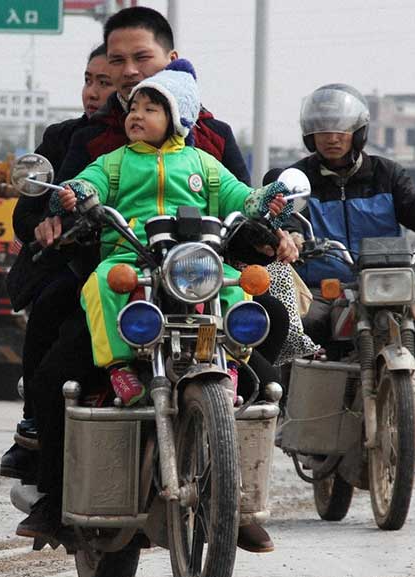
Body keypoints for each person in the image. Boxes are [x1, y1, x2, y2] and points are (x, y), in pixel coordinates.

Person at [18, 6, 282, 553]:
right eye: (118, 60)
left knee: (269, 323)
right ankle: (51, 490)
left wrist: (272, 227)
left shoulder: (211, 141)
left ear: (170, 62)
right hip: (118, 271)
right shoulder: (91, 140)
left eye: (143, 58)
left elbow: (241, 200)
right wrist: (63, 211)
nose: (131, 72)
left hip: (197, 274)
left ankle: (234, 485)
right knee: (57, 358)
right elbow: (69, 193)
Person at [53, 60, 292, 404]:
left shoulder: (203, 163)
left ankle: (233, 363)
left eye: (150, 109)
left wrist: (262, 201)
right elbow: (91, 183)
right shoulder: (114, 161)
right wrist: (78, 191)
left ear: (178, 118)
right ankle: (119, 367)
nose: (136, 115)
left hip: (198, 261)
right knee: (100, 283)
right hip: (132, 256)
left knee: (237, 289)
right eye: (133, 108)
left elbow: (237, 195)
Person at [265, 83, 415, 367]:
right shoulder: (297, 177)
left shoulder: (386, 174)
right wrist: (292, 236)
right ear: (310, 135)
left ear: (358, 132)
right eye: (323, 131)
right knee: (305, 325)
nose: (331, 138)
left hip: (387, 281)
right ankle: (286, 402)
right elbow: (289, 214)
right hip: (324, 287)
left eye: (340, 130)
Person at [0, 43, 115, 482]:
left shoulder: (202, 137)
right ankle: (36, 427)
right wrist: (48, 224)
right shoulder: (68, 138)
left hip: (169, 273)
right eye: (90, 79)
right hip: (83, 268)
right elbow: (28, 212)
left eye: (104, 83)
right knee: (51, 304)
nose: (92, 92)